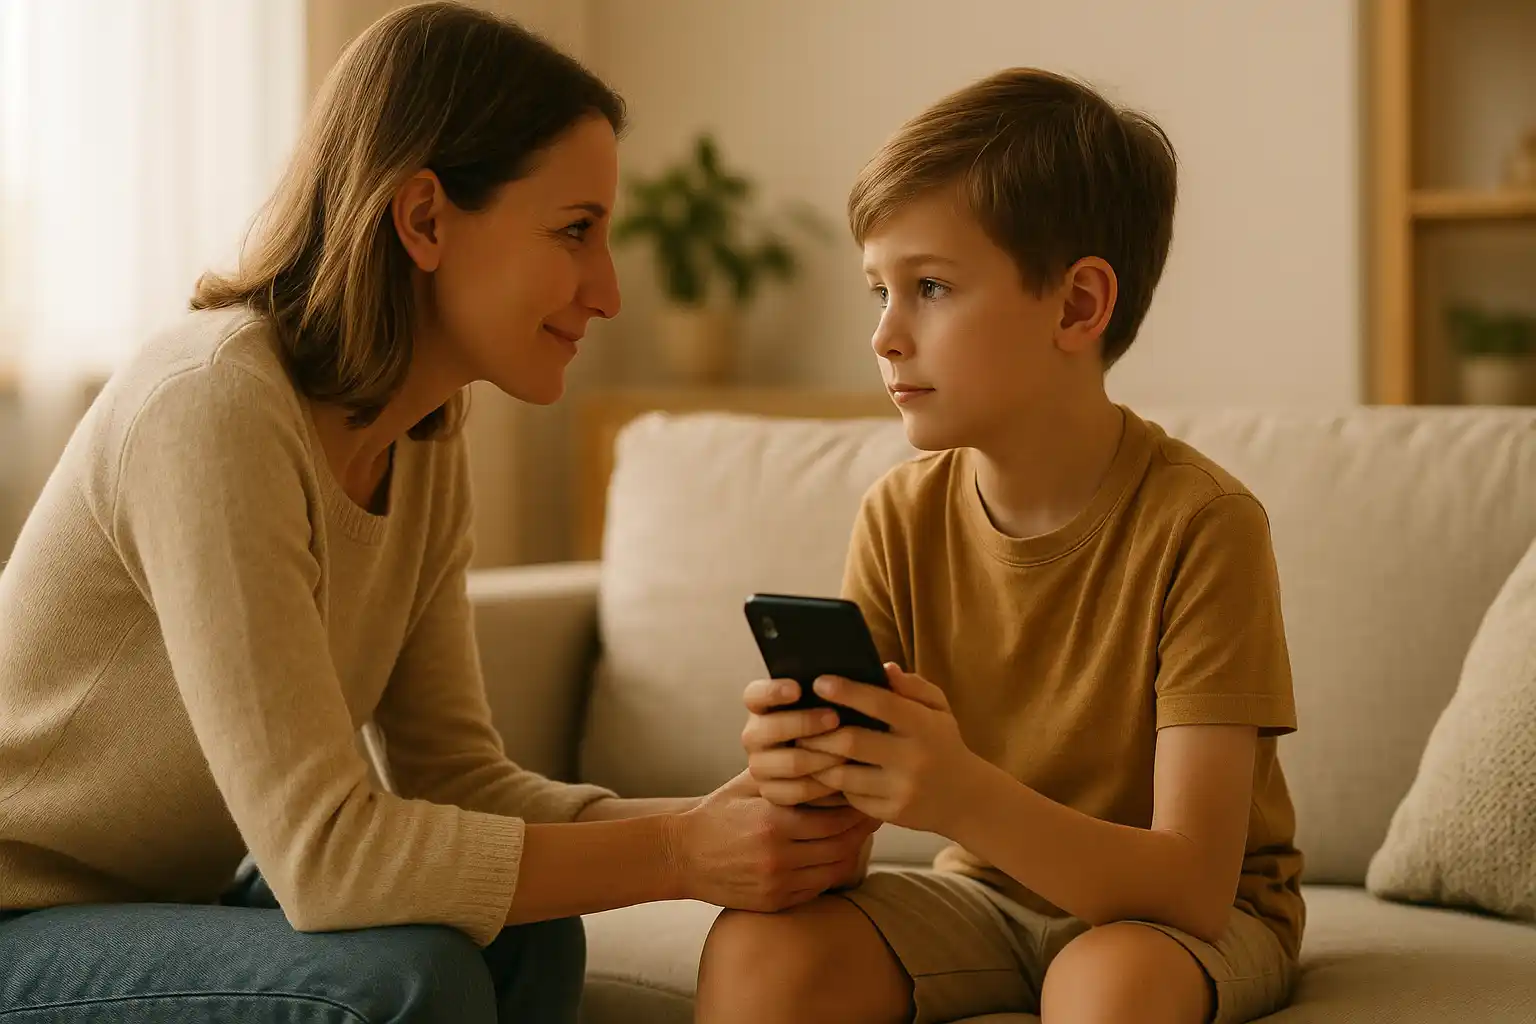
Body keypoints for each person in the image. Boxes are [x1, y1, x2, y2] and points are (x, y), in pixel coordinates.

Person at [0, 4, 874, 1021]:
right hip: (23, 914)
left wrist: (725, 822)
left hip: (164, 901)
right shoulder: (209, 406)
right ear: (423, 218)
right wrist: (680, 852)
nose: (608, 290)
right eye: (575, 231)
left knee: (525, 932)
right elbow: (327, 860)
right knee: (410, 983)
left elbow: (454, 778)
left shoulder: (423, 437)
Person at [697, 68, 1303, 1024]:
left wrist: (961, 795)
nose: (886, 336)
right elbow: (849, 837)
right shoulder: (899, 516)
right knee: (760, 950)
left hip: (1181, 921)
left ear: (1076, 307)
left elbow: (1191, 883)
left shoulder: (1205, 525)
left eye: (930, 286)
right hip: (983, 896)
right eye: (878, 291)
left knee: (1115, 988)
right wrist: (803, 780)